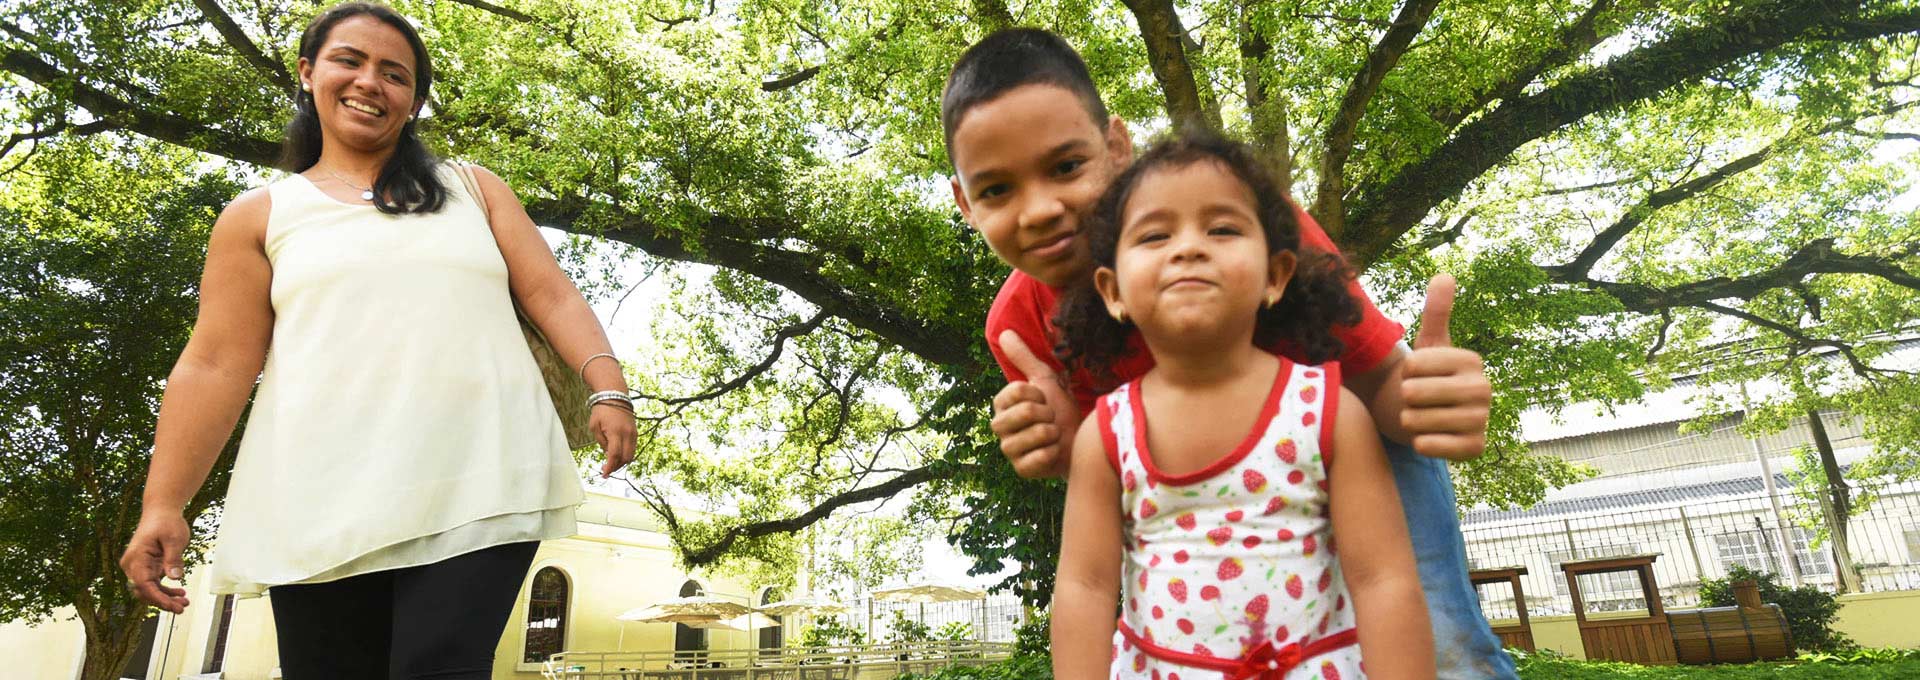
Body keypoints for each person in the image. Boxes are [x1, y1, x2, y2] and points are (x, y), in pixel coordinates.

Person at [943, 29, 1514, 678]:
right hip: (1210, 536)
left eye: (1066, 166)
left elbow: (1381, 383)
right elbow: (1110, 496)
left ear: (1116, 148)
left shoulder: (1245, 230)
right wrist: (1069, 447)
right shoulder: (1019, 327)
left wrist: (1428, 405)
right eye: (995, 191)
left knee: (1442, 648)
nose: (1040, 209)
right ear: (964, 203)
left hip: (1351, 449)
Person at [117, 4, 636, 678]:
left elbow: (552, 293)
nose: (371, 82)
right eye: (350, 61)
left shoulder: (472, 190)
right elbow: (216, 363)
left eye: (395, 74)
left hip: (481, 474)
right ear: (308, 73)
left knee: (437, 664)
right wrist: (163, 504)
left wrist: (609, 385)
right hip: (316, 494)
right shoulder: (261, 216)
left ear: (414, 101)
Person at [1051, 132, 1433, 679]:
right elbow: (1084, 588)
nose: (1189, 247)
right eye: (1155, 234)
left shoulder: (1330, 413)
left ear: (1275, 276)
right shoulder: (1106, 435)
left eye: (1223, 229)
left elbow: (1384, 580)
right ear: (1112, 291)